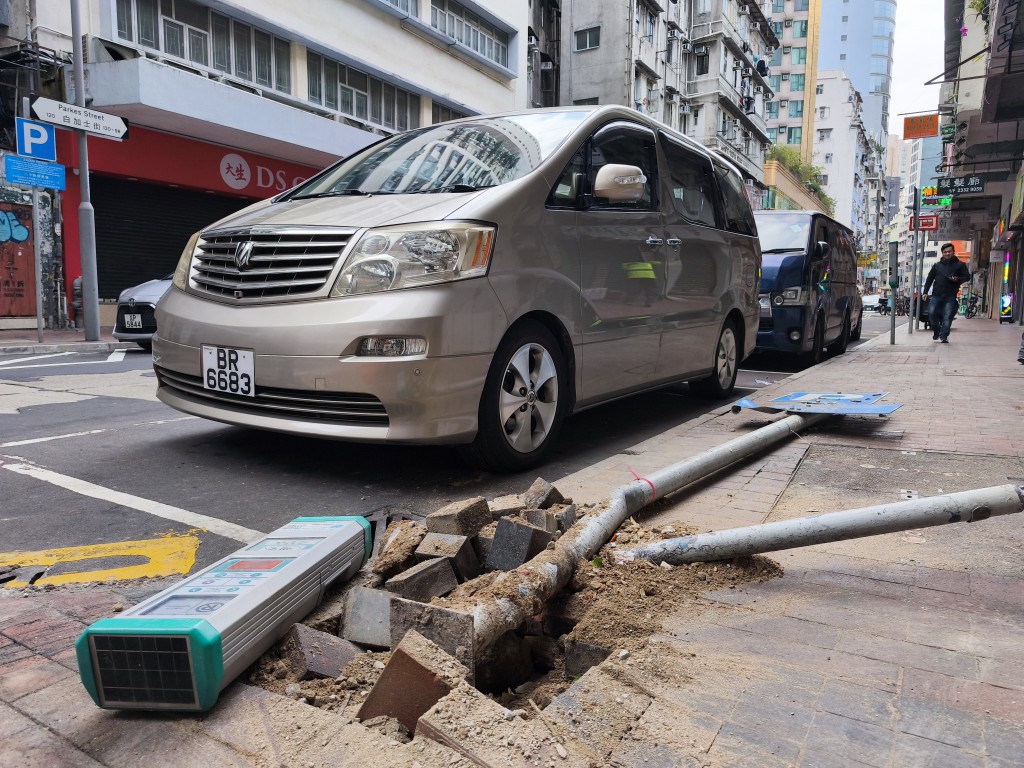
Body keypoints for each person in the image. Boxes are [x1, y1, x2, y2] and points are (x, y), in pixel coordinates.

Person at [923, 242, 971, 343]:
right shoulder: (937, 266)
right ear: (942, 253)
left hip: (950, 296)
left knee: (948, 316)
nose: (947, 254)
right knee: (931, 313)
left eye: (949, 251)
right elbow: (929, 279)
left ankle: (944, 336)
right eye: (945, 252)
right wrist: (925, 292)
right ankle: (937, 330)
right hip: (936, 295)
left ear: (954, 252)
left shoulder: (960, 265)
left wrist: (957, 280)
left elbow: (967, 277)